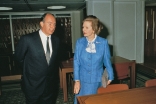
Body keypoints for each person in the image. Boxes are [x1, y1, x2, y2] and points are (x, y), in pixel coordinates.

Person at [14, 12, 60, 104]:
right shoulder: (27, 39)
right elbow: (18, 59)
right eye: (50, 23)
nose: (53, 26)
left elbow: (52, 63)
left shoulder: (56, 40)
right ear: (41, 23)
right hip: (32, 84)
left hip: (50, 85)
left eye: (54, 24)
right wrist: (30, 71)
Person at [73, 15, 114, 104]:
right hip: (82, 80)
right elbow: (76, 62)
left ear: (94, 29)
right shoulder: (79, 42)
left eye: (87, 27)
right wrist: (77, 80)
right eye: (83, 27)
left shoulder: (103, 42)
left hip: (97, 79)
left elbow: (107, 61)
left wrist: (111, 76)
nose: (83, 29)